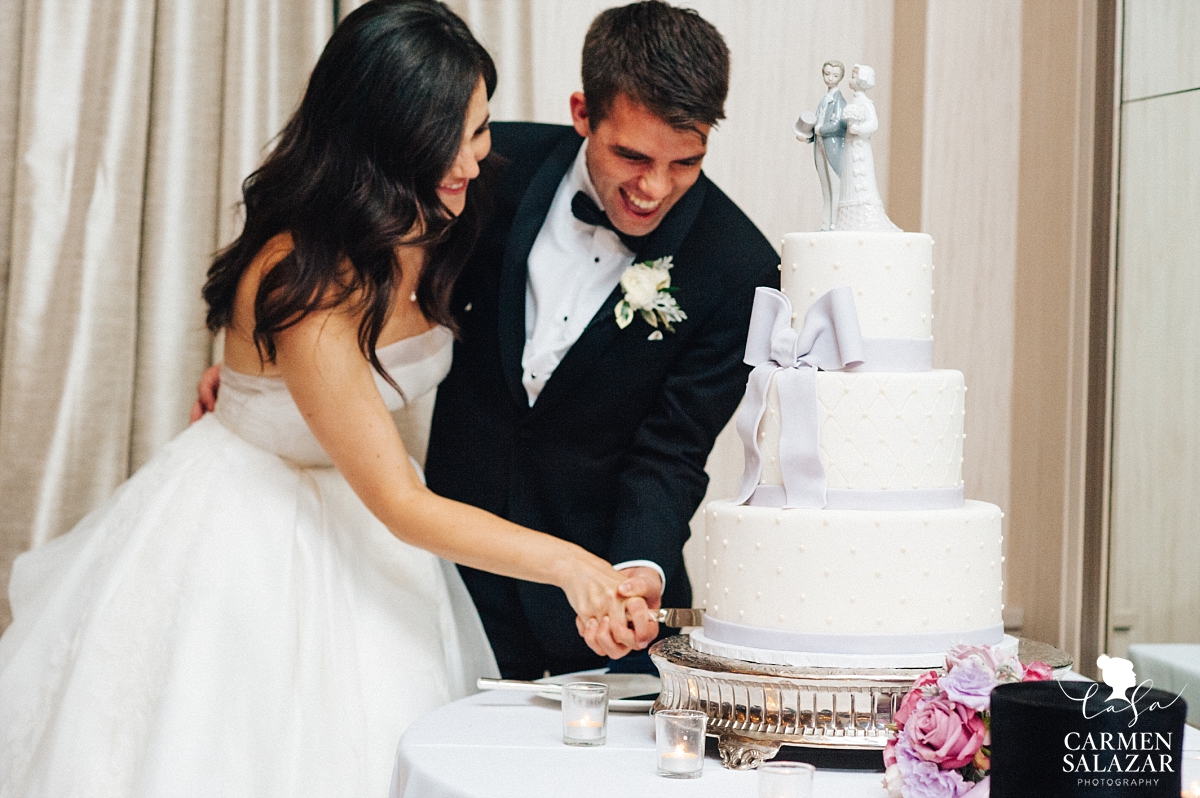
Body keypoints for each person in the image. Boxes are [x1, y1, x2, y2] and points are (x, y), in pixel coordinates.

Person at [0, 2, 651, 795]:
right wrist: (569, 567)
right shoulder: (304, 275)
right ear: (380, 135)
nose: (472, 159)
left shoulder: (439, 206)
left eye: (478, 129)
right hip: (250, 533)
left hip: (355, 509)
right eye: (444, 137)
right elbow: (400, 501)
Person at [422, 1, 780, 679]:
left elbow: (672, 452)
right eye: (632, 155)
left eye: (686, 163)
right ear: (583, 112)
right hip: (450, 582)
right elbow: (378, 273)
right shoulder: (492, 169)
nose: (653, 189)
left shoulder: (738, 268)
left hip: (603, 617)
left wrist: (636, 572)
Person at [834, 63, 899, 232]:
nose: (850, 79)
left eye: (854, 76)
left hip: (860, 146)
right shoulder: (855, 100)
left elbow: (873, 124)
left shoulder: (866, 103)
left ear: (862, 80)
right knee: (849, 175)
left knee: (861, 175)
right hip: (850, 145)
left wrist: (859, 130)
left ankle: (862, 209)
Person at [796, 60, 846, 231]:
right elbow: (818, 124)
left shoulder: (839, 100)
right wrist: (808, 137)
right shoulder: (824, 100)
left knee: (835, 188)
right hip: (820, 147)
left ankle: (835, 224)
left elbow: (839, 124)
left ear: (840, 77)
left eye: (835, 75)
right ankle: (826, 224)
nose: (830, 78)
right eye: (827, 74)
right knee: (825, 189)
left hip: (833, 149)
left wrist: (820, 129)